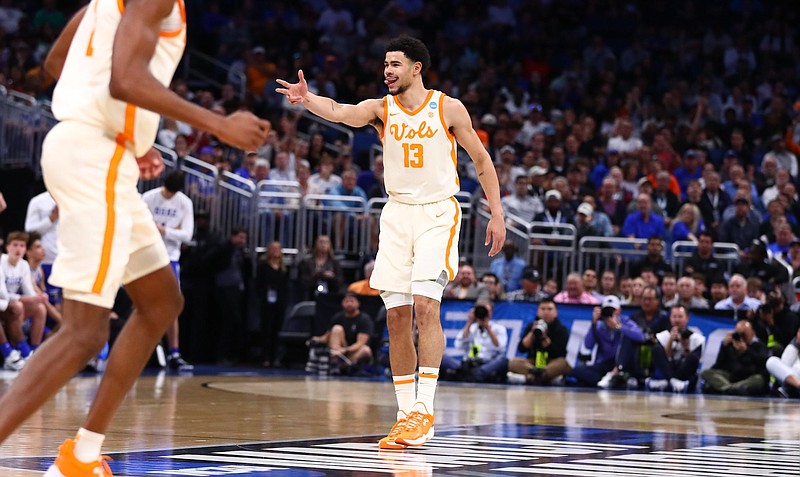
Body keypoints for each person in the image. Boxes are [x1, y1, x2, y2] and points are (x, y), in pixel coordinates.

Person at [0, 2, 269, 475]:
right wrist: (220, 125)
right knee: (85, 332)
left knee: (161, 302)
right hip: (93, 158)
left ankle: (81, 457)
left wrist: (132, 136)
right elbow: (124, 79)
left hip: (103, 154)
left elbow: (60, 63)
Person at [277, 35, 505, 449]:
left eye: (395, 64)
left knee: (424, 305)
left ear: (417, 67)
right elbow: (341, 111)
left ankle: (424, 409)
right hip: (397, 214)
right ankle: (404, 417)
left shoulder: (448, 108)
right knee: (396, 316)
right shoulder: (380, 109)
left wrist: (498, 214)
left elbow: (482, 159)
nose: (387, 71)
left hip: (437, 212)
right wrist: (308, 99)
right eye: (385, 64)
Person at [142, 171, 194, 372]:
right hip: (147, 255)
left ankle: (174, 352)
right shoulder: (149, 198)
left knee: (172, 306)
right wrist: (174, 231)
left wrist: (163, 230)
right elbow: (141, 226)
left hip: (169, 258)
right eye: (167, 191)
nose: (169, 195)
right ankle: (144, 349)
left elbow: (187, 235)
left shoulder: (184, 203)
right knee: (143, 305)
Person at [1, 231, 48, 361]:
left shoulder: (23, 265)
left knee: (40, 308)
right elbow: (4, 295)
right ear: (7, 247)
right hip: (4, 303)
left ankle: (34, 349)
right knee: (19, 306)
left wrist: (39, 297)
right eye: (15, 245)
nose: (18, 249)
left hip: (12, 303)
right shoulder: (2, 262)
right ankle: (19, 349)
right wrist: (26, 298)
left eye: (22, 246)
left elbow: (29, 292)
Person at [507, 299, 571, 385]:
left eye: (549, 309)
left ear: (556, 312)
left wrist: (548, 343)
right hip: (533, 363)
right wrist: (532, 333)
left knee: (564, 363)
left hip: (551, 362)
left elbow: (562, 353)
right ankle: (540, 376)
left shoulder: (561, 329)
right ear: (538, 312)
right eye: (543, 309)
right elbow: (521, 348)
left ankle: (533, 377)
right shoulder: (532, 326)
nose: (546, 312)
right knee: (513, 362)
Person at [441, 301, 508, 383]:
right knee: (443, 358)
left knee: (503, 361)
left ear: (491, 313)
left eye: (486, 311)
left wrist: (488, 329)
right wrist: (469, 322)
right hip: (469, 362)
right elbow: (458, 345)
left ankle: (473, 374)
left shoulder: (498, 328)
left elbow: (500, 348)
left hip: (487, 363)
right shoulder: (472, 328)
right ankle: (469, 373)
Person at [307, 293, 374, 374]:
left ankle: (344, 366)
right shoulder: (338, 317)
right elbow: (327, 337)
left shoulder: (364, 319)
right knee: (336, 329)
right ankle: (335, 363)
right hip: (339, 352)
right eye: (346, 301)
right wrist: (315, 339)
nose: (349, 304)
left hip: (353, 352)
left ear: (358, 304)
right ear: (342, 303)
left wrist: (345, 350)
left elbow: (360, 343)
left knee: (366, 350)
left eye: (352, 301)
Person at [701, 320, 769, 396]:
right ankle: (731, 389)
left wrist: (746, 351)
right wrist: (724, 347)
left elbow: (763, 363)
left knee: (759, 379)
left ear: (752, 333)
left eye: (744, 333)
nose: (741, 336)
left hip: (750, 378)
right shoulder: (730, 346)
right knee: (706, 372)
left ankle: (726, 389)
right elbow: (718, 364)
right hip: (732, 378)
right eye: (738, 333)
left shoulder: (758, 345)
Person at [646, 305, 705, 393]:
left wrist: (685, 346)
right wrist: (670, 340)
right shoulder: (663, 336)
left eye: (680, 317)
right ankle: (672, 380)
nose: (677, 320)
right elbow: (664, 358)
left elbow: (693, 361)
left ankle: (672, 381)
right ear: (670, 318)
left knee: (692, 358)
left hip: (683, 373)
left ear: (687, 318)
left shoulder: (697, 338)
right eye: (674, 316)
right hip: (667, 370)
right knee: (657, 349)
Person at [766, 327, 800, 398]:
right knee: (771, 361)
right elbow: (784, 368)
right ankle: (795, 387)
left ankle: (788, 390)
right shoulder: (792, 347)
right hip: (791, 381)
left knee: (797, 367)